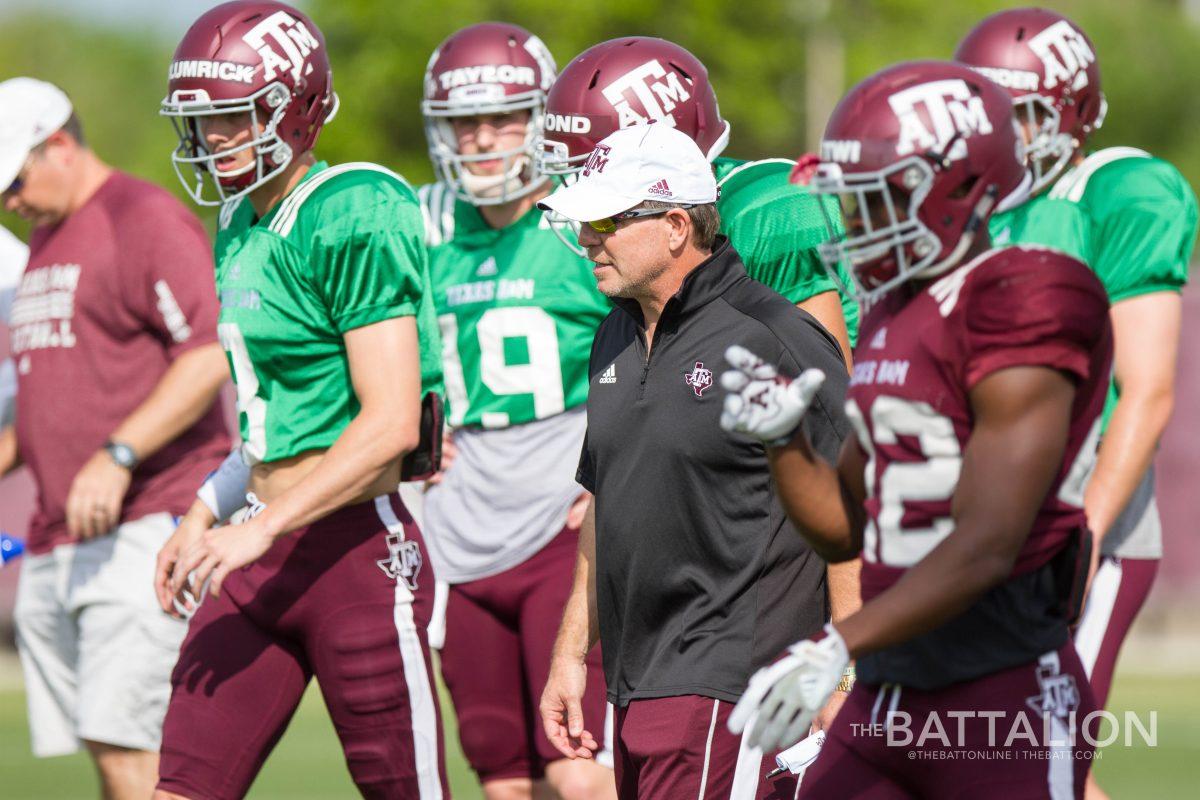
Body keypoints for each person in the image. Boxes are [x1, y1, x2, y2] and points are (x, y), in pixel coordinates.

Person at [722, 61, 1112, 799]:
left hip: (1001, 694)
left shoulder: (1027, 296)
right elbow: (844, 528)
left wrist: (836, 643)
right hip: (890, 691)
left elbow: (987, 543)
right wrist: (784, 441)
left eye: (878, 202)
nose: (858, 227)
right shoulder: (896, 310)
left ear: (961, 188)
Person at [152, 3, 447, 798]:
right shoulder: (238, 224)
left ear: (295, 107)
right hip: (257, 550)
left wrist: (266, 526)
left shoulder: (351, 207)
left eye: (231, 116)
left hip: (353, 552)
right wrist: (206, 512)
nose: (212, 138)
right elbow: (270, 422)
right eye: (202, 120)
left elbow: (388, 423)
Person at [538, 123, 850, 800]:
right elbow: (606, 501)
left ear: (677, 225)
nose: (588, 237)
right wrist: (570, 655)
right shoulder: (614, 333)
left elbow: (859, 503)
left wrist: (849, 667)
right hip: (633, 681)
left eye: (608, 219)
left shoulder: (774, 336)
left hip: (736, 683)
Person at [955, 16, 1197, 795]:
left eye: (1021, 111)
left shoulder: (1116, 190)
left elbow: (1148, 391)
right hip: (978, 537)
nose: (1005, 132)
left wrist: (1082, 537)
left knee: (1028, 765)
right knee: (986, 763)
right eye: (988, 110)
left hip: (1077, 532)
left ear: (1071, 110)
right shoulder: (973, 209)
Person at [0, 76, 230, 799]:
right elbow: (47, 400)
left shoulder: (141, 216)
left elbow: (206, 353)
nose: (8, 202)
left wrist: (119, 452)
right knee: (110, 755)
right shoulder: (43, 241)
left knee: (141, 759)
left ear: (59, 147)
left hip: (145, 525)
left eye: (13, 181)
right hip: (61, 536)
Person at [418, 22, 616, 800]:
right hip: (460, 529)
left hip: (560, 525)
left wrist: (616, 470)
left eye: (504, 118)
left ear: (543, 121)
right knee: (502, 777)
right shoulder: (423, 225)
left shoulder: (584, 223)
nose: (484, 140)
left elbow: (653, 355)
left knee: (579, 767)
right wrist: (416, 436)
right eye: (467, 123)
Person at [536, 36, 859, 363]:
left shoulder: (767, 206)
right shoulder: (629, 244)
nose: (585, 228)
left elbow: (824, 389)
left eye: (594, 167)